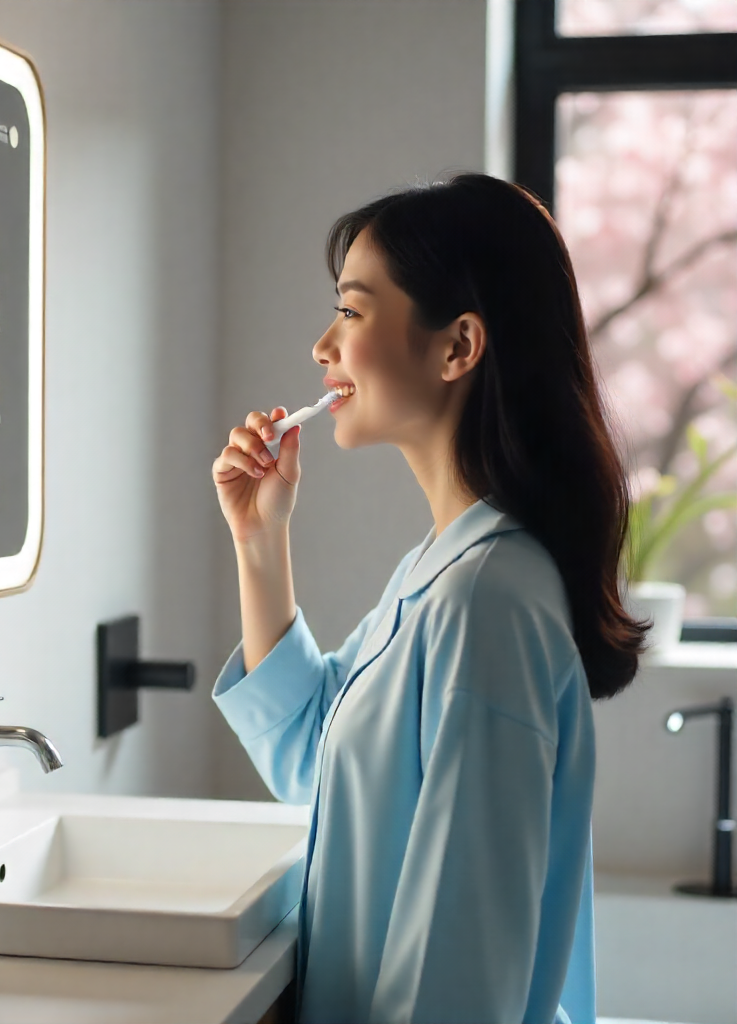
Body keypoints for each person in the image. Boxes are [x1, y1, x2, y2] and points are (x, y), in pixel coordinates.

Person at [210, 173, 647, 1024]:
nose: (322, 347)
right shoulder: (447, 570)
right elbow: (313, 756)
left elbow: (457, 973)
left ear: (457, 348)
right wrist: (259, 539)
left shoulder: (487, 602)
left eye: (354, 311)